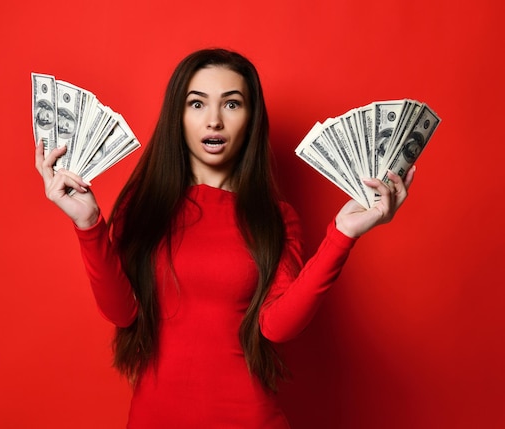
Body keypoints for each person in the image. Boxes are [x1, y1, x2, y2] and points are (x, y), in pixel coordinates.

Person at [35, 48, 415, 428]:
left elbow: (277, 326)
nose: (214, 121)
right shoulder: (143, 207)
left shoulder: (276, 219)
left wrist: (343, 235)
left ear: (251, 119)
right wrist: (88, 225)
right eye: (197, 104)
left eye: (232, 105)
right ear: (178, 117)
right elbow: (122, 312)